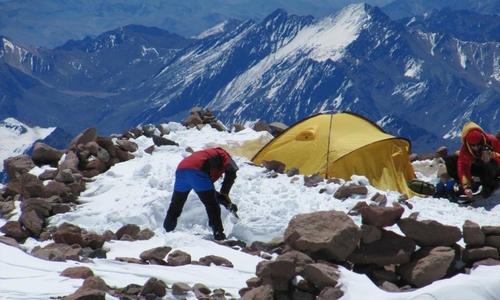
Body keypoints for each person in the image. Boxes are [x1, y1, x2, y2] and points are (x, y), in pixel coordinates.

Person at [163, 147, 239, 240]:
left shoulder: (208, 155)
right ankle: (219, 235)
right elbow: (232, 171)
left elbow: (208, 191)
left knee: (176, 203)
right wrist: (224, 194)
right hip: (197, 169)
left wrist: (225, 201)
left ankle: (167, 230)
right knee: (212, 205)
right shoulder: (223, 154)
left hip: (181, 169)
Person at [444, 122, 500, 199]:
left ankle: (490, 185)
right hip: (478, 167)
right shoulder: (465, 150)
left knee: (487, 163)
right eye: (473, 145)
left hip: (494, 168)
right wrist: (467, 186)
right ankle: (470, 184)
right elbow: (463, 167)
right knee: (451, 160)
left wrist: (493, 155)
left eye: (479, 144)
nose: (476, 147)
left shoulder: (491, 141)